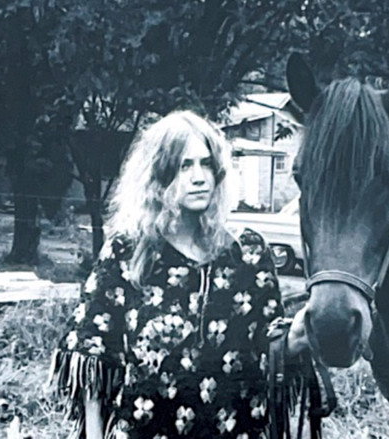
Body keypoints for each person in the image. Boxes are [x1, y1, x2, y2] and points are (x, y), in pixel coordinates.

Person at [50, 111, 309, 439]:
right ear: (158, 175)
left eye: (206, 164)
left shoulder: (248, 254)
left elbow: (270, 352)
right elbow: (94, 359)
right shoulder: (127, 253)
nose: (199, 178)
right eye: (184, 166)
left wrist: (300, 333)